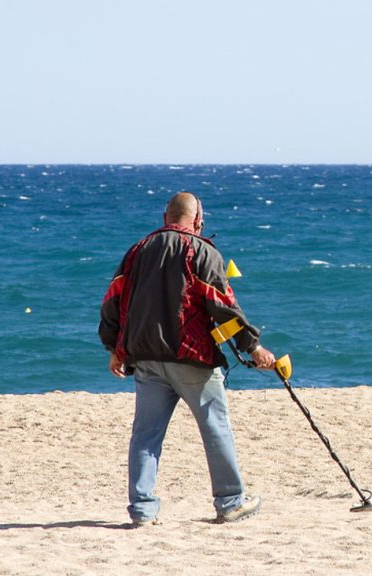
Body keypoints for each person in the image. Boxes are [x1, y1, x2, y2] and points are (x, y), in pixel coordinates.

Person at [99, 191, 275, 527]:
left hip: (146, 356)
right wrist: (253, 347)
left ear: (165, 217)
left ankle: (142, 510)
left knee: (146, 436)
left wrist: (114, 348)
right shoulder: (203, 251)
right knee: (215, 427)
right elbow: (223, 306)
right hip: (191, 356)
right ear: (198, 219)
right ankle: (230, 501)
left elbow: (112, 301)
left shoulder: (136, 252)